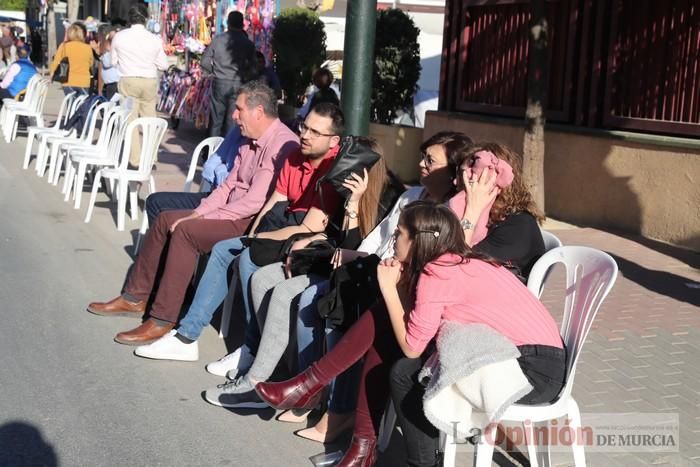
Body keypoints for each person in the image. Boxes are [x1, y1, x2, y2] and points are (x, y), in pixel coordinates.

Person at [255, 201, 565, 467]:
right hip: (530, 358)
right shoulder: (455, 261)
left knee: (404, 370)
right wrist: (397, 288)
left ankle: (399, 454)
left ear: (418, 241)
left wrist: (390, 289)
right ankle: (358, 444)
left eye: (400, 233)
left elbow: (413, 348)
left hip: (530, 372)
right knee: (386, 326)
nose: (393, 239)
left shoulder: (437, 274)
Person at [86, 81, 300, 346]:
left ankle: (164, 318)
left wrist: (202, 219)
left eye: (239, 109)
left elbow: (254, 204)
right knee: (168, 218)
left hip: (254, 222)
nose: (233, 115)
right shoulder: (249, 140)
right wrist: (198, 213)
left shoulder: (282, 145)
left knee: (186, 232)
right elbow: (228, 186)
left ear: (258, 112)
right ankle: (136, 297)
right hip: (232, 211)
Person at [199, 139, 405, 412]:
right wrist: (312, 237)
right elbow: (332, 234)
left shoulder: (387, 199)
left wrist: (354, 206)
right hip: (328, 262)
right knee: (262, 279)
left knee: (285, 293)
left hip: (351, 274)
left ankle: (257, 382)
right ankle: (275, 369)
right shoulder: (344, 188)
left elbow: (352, 250)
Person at [128, 102, 344, 355]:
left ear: (334, 140)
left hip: (309, 240)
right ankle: (184, 334)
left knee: (244, 256)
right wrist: (253, 234)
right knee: (220, 247)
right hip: (281, 225)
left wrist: (256, 239)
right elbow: (273, 201)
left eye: (315, 132)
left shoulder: (332, 169)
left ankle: (249, 350)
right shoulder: (295, 154)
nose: (305, 135)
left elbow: (308, 227)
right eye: (304, 127)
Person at [388, 142, 548, 466]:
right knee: (391, 335)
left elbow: (457, 264)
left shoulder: (516, 224)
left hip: (524, 357)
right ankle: (359, 427)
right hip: (490, 334)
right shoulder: (466, 220)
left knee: (404, 367)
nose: (463, 181)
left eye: (472, 174)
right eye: (462, 173)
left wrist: (472, 212)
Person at [143, 124, 242, 225]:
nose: (235, 114)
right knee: (154, 201)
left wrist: (221, 170)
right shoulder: (237, 131)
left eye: (240, 109)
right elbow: (210, 166)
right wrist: (222, 173)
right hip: (215, 196)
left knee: (178, 225)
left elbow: (237, 191)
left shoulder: (254, 146)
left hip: (229, 208)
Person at [110, 4, 168, 167]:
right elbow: (163, 65)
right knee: (150, 120)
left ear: (130, 19)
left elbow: (113, 61)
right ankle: (151, 157)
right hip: (149, 81)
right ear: (146, 18)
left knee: (131, 122)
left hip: (128, 80)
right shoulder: (154, 39)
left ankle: (134, 159)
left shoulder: (120, 37)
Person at [201, 11, 256, 137]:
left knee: (215, 121)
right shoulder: (248, 43)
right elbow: (253, 68)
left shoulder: (218, 40)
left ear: (228, 23)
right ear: (242, 24)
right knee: (232, 121)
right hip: (238, 84)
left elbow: (204, 61)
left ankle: (211, 151)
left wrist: (215, 71)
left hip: (219, 82)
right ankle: (227, 153)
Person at [49, 23, 94, 96]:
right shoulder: (88, 48)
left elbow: (56, 62)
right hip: (84, 82)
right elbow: (91, 63)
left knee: (70, 104)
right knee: (82, 105)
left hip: (68, 81)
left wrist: (52, 75)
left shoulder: (64, 46)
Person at [98, 28, 120, 100]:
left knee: (112, 105)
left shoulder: (111, 54)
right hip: (111, 83)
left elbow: (106, 64)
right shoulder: (106, 54)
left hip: (114, 82)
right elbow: (101, 72)